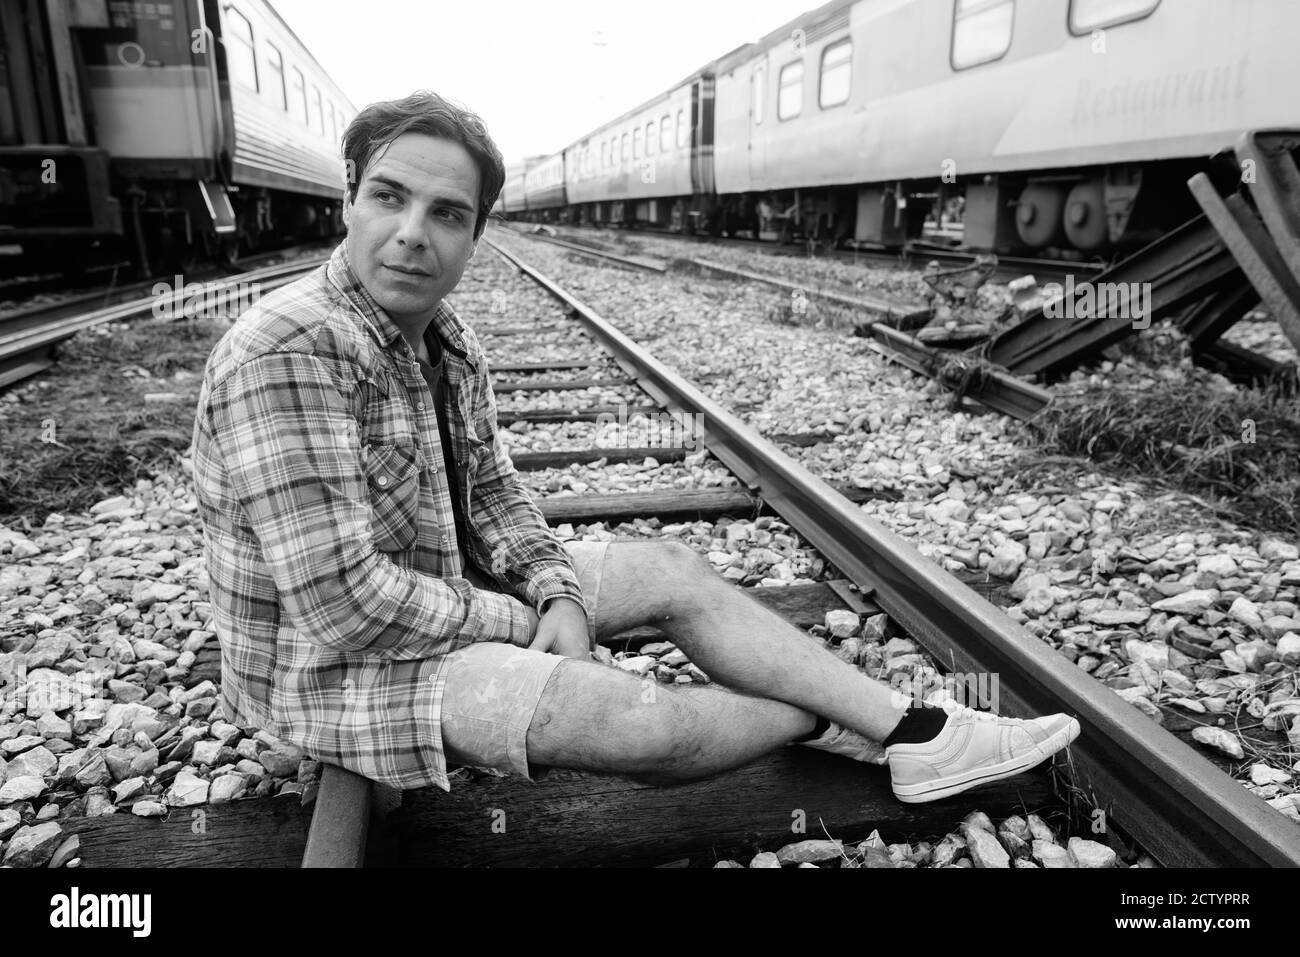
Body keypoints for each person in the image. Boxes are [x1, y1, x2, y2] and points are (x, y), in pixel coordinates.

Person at [192, 91, 1079, 804]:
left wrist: (556, 588)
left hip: (436, 588)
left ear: (477, 234)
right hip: (329, 673)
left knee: (669, 568)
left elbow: (495, 492)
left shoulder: (444, 335)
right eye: (389, 197)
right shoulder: (292, 347)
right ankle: (823, 718)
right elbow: (343, 606)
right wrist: (532, 620)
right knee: (651, 727)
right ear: (350, 196)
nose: (413, 232)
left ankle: (916, 731)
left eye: (447, 213)